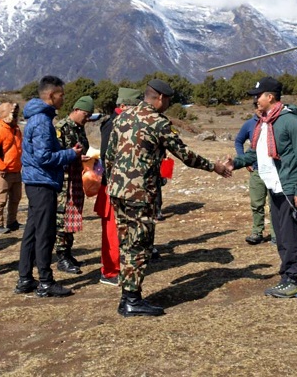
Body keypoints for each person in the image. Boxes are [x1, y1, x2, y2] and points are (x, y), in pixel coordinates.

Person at [103, 79, 231, 316]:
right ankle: (131, 300)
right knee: (139, 246)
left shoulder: (123, 117)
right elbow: (184, 154)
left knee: (126, 243)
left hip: (118, 191)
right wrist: (214, 167)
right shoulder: (159, 123)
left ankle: (127, 296)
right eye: (169, 101)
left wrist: (114, 182)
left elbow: (108, 155)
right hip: (140, 194)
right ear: (160, 98)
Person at [228, 76, 297, 299]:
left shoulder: (291, 122)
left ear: (270, 97)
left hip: (288, 189)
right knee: (281, 236)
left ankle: (293, 280)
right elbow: (256, 153)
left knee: (289, 235)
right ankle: (286, 277)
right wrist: (235, 163)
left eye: (258, 96)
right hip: (273, 185)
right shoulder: (265, 123)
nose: (255, 100)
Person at [16, 76, 82, 298]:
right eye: (61, 94)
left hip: (36, 181)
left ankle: (25, 278)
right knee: (45, 232)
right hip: (42, 181)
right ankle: (45, 281)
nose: (63, 98)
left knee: (32, 231)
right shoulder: (42, 121)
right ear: (51, 95)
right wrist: (71, 154)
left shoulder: (37, 118)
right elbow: (44, 156)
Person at [97, 87, 143, 286]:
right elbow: (107, 155)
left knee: (120, 229)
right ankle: (110, 271)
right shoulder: (112, 123)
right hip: (112, 185)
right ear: (124, 106)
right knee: (111, 232)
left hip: (120, 185)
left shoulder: (121, 121)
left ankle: (119, 266)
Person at [55, 95, 94, 275]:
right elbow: (56, 155)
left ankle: (68, 252)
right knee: (63, 220)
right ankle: (61, 257)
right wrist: (75, 157)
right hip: (64, 181)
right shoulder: (61, 128)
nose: (87, 119)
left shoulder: (79, 128)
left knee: (73, 218)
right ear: (76, 110)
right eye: (86, 115)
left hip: (77, 177)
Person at [235, 102, 275, 245]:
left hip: (273, 171)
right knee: (257, 203)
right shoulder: (249, 124)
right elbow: (238, 141)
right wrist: (243, 160)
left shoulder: (274, 121)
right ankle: (257, 232)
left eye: (261, 107)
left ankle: (276, 234)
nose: (260, 110)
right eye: (257, 107)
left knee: (274, 203)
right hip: (257, 171)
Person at [0, 102, 23, 234]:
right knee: (1, 199)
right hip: (4, 172)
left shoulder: (16, 130)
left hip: (16, 170)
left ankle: (12, 222)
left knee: (16, 198)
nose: (15, 117)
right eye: (13, 114)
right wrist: (1, 166)